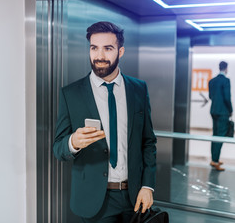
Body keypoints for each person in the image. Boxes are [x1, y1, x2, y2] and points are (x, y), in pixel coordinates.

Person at [53, 21, 157, 223]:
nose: (99, 56)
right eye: (94, 48)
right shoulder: (71, 94)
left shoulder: (138, 89)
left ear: (121, 51)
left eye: (108, 48)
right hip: (95, 201)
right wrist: (73, 142)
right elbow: (58, 148)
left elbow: (148, 141)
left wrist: (148, 185)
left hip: (135, 196)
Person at [208, 61, 233, 171]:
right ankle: (215, 161)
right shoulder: (226, 81)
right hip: (223, 112)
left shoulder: (212, 81)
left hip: (213, 110)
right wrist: (230, 110)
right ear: (226, 68)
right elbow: (227, 97)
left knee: (215, 135)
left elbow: (210, 96)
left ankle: (214, 159)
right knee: (220, 137)